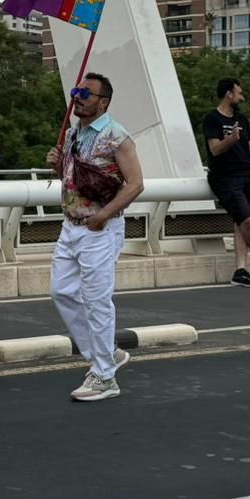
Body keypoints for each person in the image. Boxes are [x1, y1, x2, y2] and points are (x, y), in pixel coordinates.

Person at [45, 73, 145, 402]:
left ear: (103, 102)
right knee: (61, 291)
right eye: (77, 91)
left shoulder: (117, 136)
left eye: (86, 93)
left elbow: (135, 184)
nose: (78, 97)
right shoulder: (74, 133)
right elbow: (73, 179)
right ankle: (106, 354)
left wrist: (104, 215)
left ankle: (104, 376)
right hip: (71, 225)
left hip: (100, 228)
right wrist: (58, 167)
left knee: (97, 301)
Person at [202, 78, 250, 287]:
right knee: (247, 220)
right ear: (228, 94)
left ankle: (240, 269)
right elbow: (214, 149)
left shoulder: (241, 119)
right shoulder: (212, 119)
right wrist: (230, 140)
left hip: (245, 175)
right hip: (224, 177)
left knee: (241, 222)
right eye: (239, 93)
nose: (242, 97)